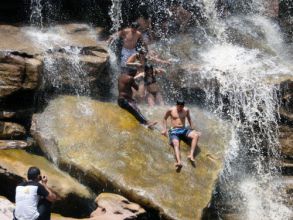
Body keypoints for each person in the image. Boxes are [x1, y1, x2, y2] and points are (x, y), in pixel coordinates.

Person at [161, 100, 201, 169]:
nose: (180, 108)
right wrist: (164, 129)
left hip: (183, 129)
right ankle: (179, 162)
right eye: (179, 107)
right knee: (176, 143)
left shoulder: (186, 110)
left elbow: (189, 119)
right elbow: (165, 118)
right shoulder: (170, 110)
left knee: (196, 135)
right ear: (176, 105)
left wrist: (193, 129)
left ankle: (191, 155)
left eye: (182, 107)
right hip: (174, 130)